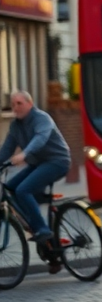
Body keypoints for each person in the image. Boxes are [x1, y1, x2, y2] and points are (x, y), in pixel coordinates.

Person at [0, 90, 73, 244]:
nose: (16, 107)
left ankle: (42, 229)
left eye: (19, 103)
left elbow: (40, 138)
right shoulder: (15, 126)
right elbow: (6, 150)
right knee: (11, 187)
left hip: (57, 161)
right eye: (13, 105)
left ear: (30, 103)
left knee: (23, 190)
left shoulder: (41, 118)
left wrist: (24, 154)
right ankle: (35, 225)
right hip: (37, 164)